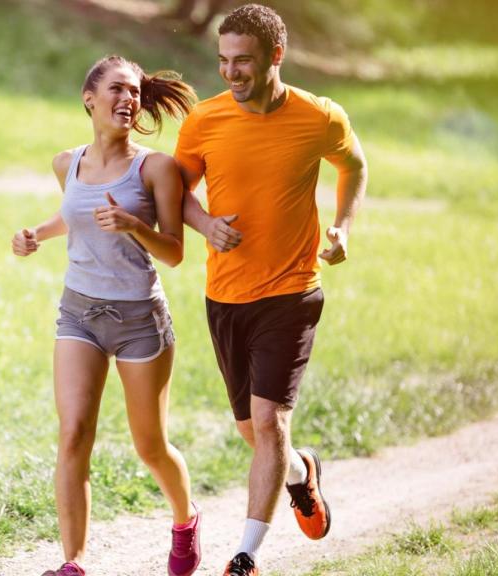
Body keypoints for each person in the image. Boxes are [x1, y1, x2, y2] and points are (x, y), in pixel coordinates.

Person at [175, 5, 369, 576]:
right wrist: (205, 224)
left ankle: (246, 556)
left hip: (292, 291)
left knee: (267, 422)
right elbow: (176, 191)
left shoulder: (319, 116)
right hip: (225, 295)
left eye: (243, 61)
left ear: (275, 56)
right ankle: (301, 473)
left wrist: (343, 227)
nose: (231, 72)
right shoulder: (205, 120)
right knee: (253, 430)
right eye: (223, 61)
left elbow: (354, 166)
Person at [13, 55, 200, 576]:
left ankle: (185, 518)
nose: (129, 99)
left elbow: (174, 252)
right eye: (118, 89)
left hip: (140, 320)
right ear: (89, 98)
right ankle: (73, 563)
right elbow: (76, 215)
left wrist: (133, 225)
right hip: (79, 313)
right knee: (73, 433)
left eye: (135, 91)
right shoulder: (65, 163)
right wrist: (36, 234)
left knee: (150, 446)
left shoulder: (155, 168)